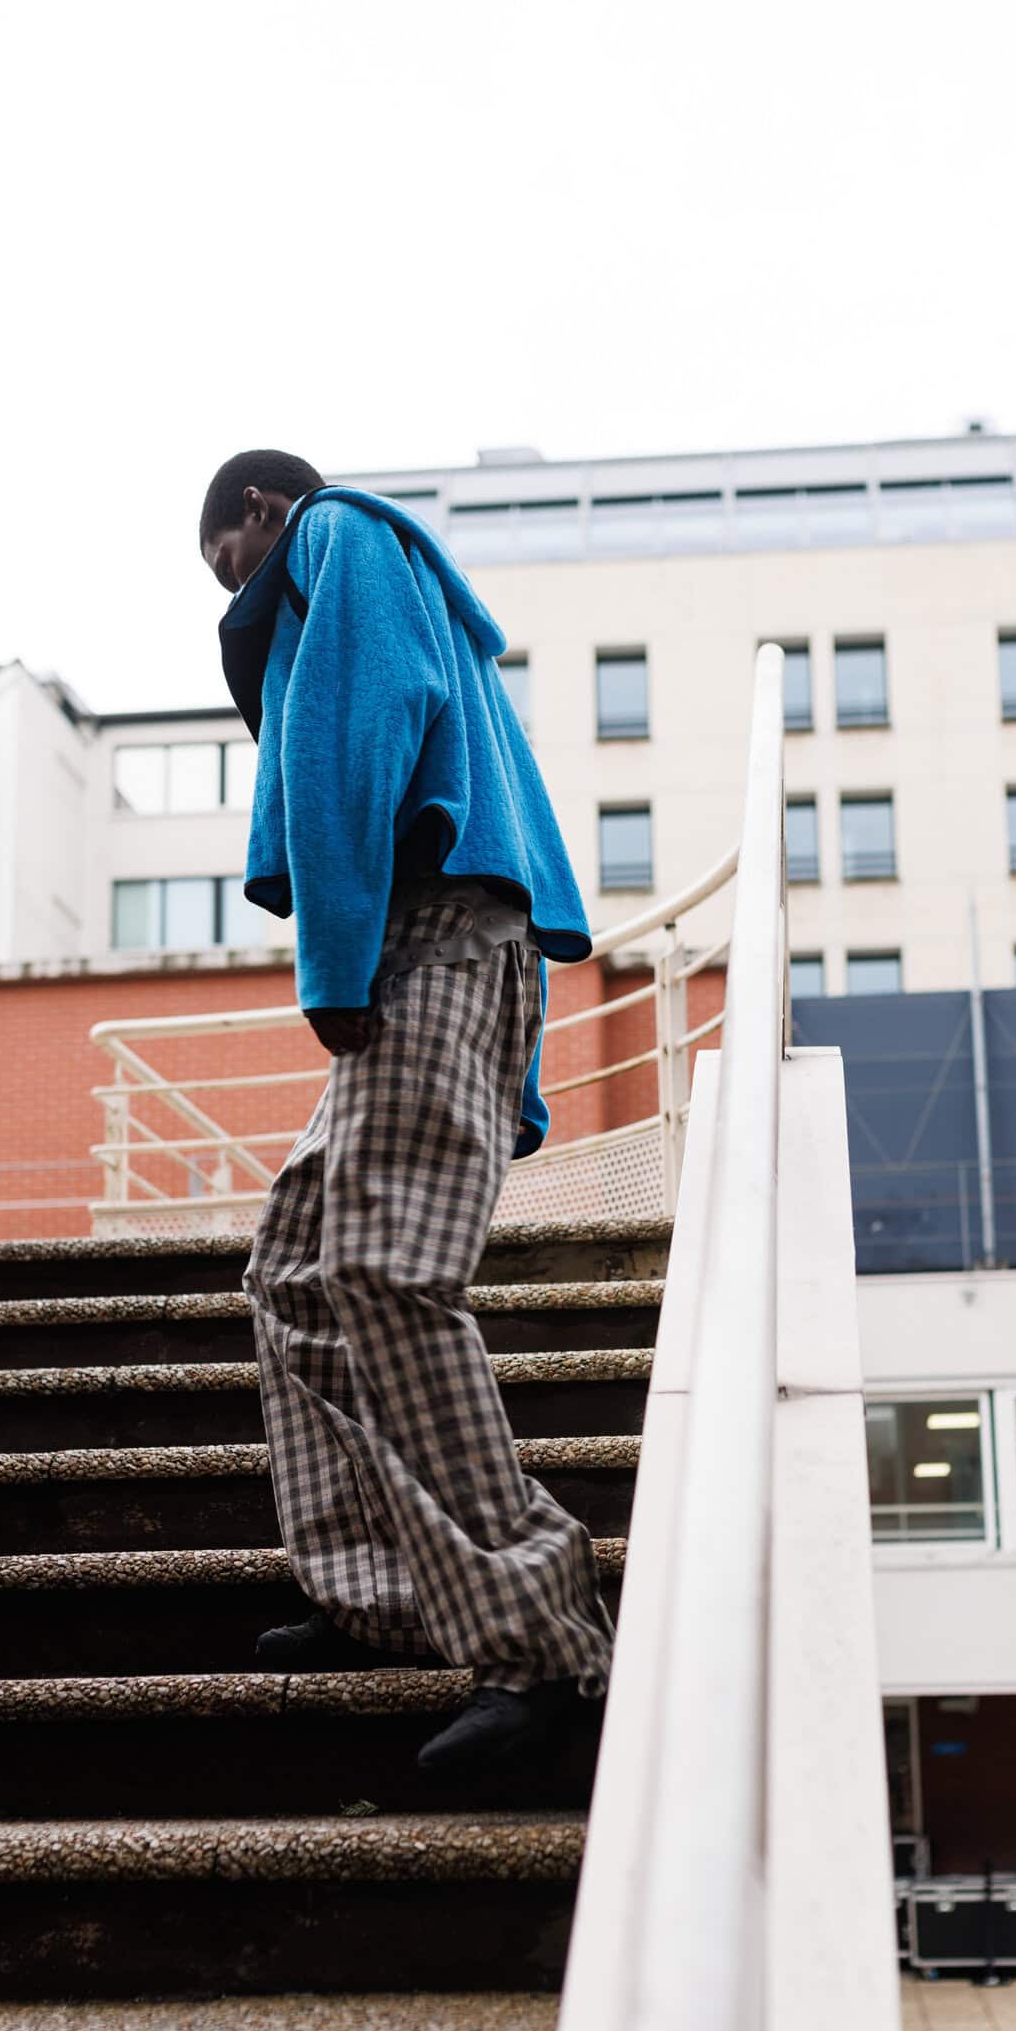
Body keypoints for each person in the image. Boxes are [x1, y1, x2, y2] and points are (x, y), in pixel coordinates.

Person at [198, 449, 615, 1781]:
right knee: (294, 1273)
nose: (228, 585)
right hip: (432, 951)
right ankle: (379, 1590)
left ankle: (537, 1639)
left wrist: (329, 959)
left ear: (259, 510)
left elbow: (352, 732)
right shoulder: (378, 572)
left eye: (222, 556)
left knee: (380, 1272)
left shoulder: (334, 537)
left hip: (418, 943)